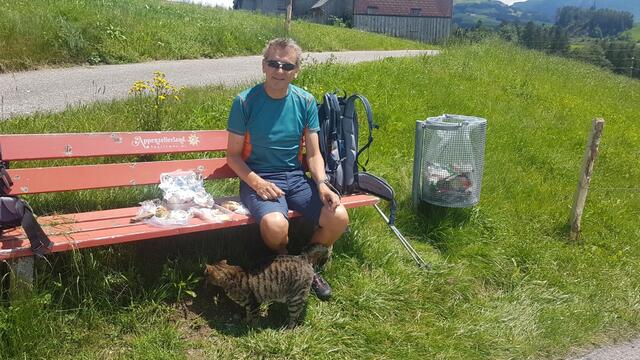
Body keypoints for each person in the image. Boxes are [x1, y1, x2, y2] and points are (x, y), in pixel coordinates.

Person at [226, 38, 348, 300]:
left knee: (338, 217)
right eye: (273, 63)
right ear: (263, 66)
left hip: (295, 178)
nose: (279, 71)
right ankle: (289, 265)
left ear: (296, 71)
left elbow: (313, 153)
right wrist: (257, 183)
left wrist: (322, 184)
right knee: (274, 225)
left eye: (286, 65)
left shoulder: (305, 102)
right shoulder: (245, 102)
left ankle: (306, 266)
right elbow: (233, 157)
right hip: (258, 178)